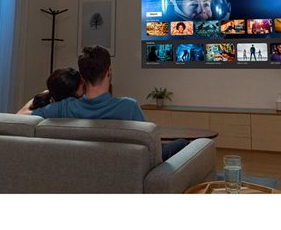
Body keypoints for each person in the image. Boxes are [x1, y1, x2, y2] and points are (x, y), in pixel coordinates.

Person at [32, 46, 188, 160]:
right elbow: (152, 149)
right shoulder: (129, 107)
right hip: (130, 168)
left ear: (82, 77)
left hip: (84, 166)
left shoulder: (63, 107)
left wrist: (47, 93)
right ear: (109, 72)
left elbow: (23, 118)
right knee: (183, 144)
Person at [17, 67, 85, 115]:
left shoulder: (52, 106)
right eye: (83, 86)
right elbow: (21, 114)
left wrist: (46, 92)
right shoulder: (58, 108)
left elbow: (20, 114)